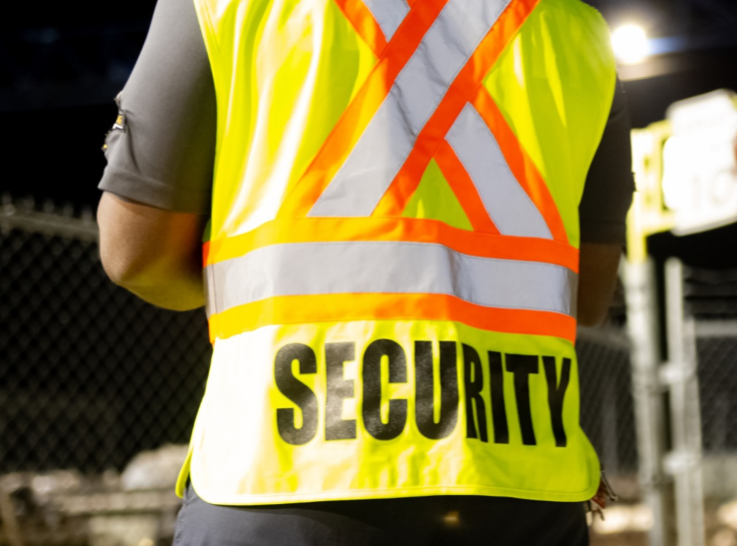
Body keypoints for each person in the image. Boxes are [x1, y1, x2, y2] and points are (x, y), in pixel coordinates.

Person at [96, 0, 634, 544]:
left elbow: (133, 253)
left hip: (282, 478)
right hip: (521, 486)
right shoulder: (575, 28)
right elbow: (587, 296)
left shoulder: (224, 6)